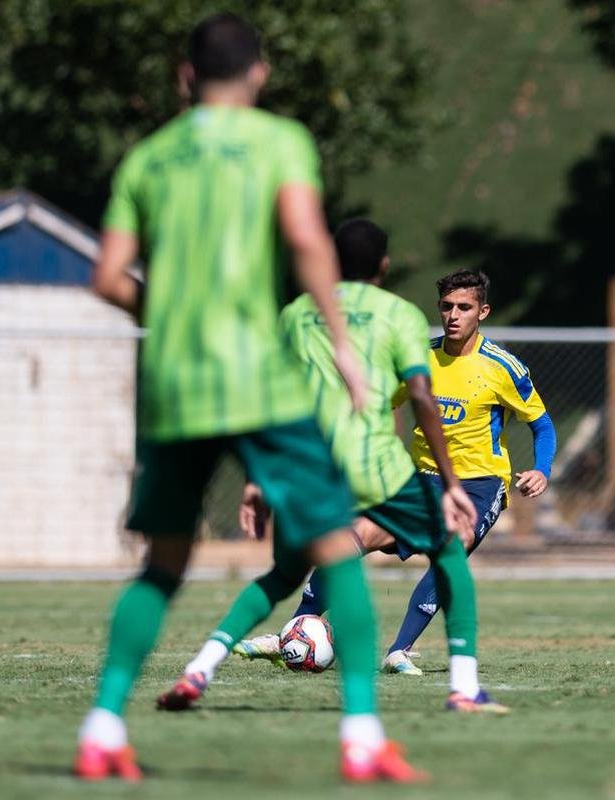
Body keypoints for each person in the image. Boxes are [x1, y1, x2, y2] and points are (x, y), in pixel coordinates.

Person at [75, 13, 420, 784]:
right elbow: (304, 239)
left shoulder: (148, 158)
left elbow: (105, 277)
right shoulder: (279, 142)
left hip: (175, 383)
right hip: (257, 380)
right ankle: (361, 739)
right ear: (259, 74)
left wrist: (162, 317)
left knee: (163, 566)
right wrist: (339, 337)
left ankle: (101, 730)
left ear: (184, 77)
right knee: (336, 547)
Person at [158, 220, 508, 717]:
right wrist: (451, 483)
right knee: (450, 553)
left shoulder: (298, 313)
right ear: (384, 266)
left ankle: (200, 667)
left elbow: (269, 397)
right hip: (375, 467)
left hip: (305, 465)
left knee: (284, 573)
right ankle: (461, 689)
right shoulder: (399, 315)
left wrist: (257, 475)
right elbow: (421, 395)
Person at [379, 269, 556, 674]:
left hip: (480, 484)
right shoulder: (418, 359)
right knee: (358, 533)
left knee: (451, 546)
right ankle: (299, 626)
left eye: (464, 307)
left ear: (483, 311)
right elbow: (378, 403)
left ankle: (399, 650)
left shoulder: (502, 367)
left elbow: (542, 425)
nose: (453, 315)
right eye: (446, 306)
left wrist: (542, 470)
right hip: (422, 479)